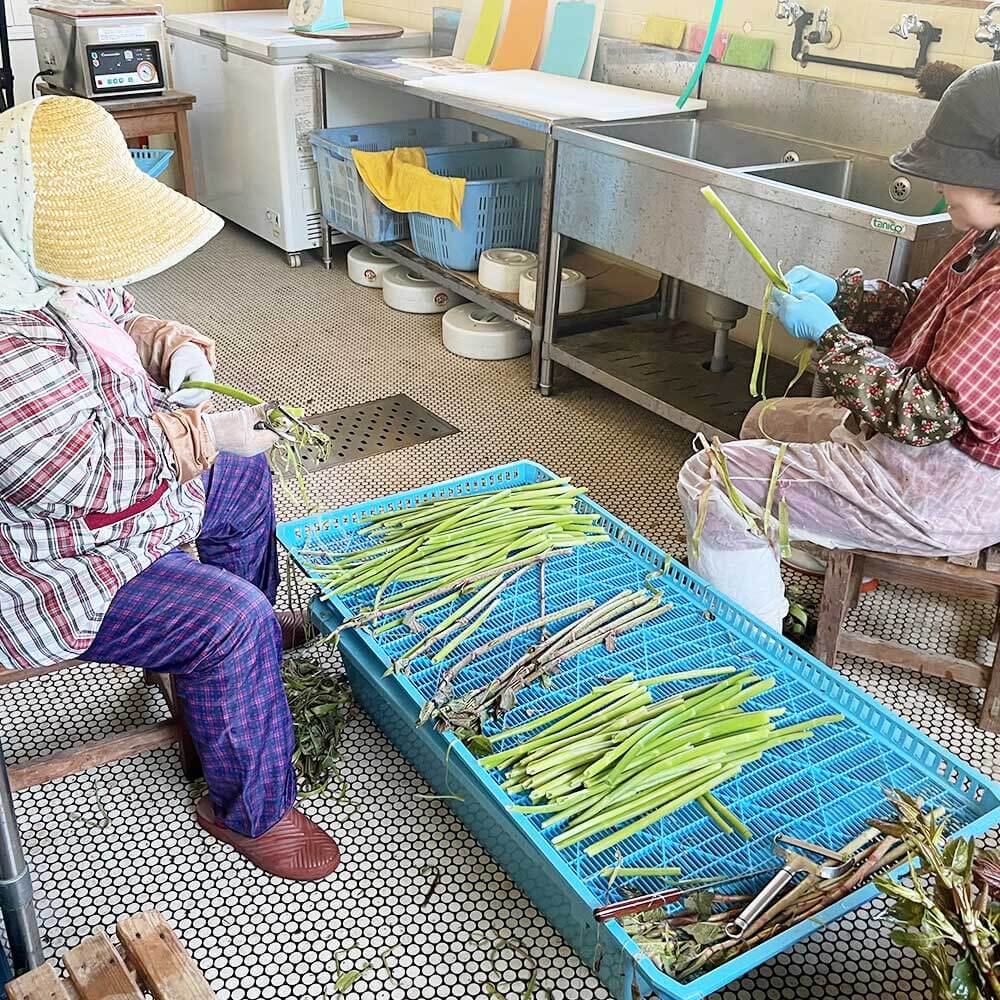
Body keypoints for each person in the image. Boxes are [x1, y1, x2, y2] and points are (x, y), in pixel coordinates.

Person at [0, 96, 340, 880]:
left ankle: (229, 674)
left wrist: (166, 345)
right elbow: (78, 474)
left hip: (118, 519)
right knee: (231, 618)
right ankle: (250, 809)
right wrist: (201, 434)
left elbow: (114, 315)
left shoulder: (41, 266)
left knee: (246, 474)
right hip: (51, 569)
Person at [678, 62, 1000, 633]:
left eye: (952, 173)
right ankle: (777, 566)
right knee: (763, 420)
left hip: (945, 483)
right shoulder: (985, 239)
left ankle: (758, 640)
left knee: (712, 478)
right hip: (920, 449)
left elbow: (923, 414)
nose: (941, 185)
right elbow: (918, 305)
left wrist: (829, 336)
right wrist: (842, 294)